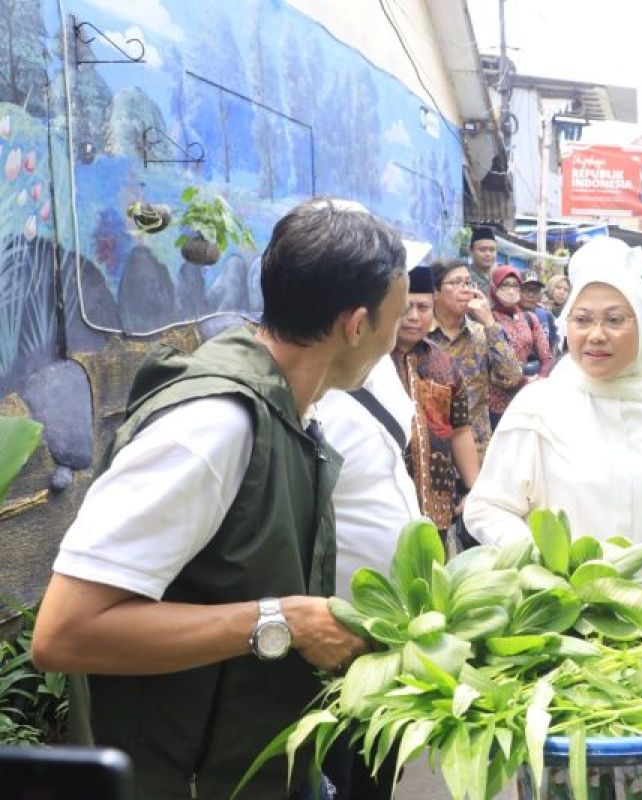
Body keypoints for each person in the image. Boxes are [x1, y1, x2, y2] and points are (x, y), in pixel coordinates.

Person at [31, 198, 403, 799]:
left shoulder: (295, 416)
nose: (395, 335)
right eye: (398, 313)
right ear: (356, 325)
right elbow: (64, 634)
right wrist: (282, 621)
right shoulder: (215, 427)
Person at [465, 236, 642, 616]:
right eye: (582, 319)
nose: (596, 334)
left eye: (615, 320)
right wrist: (542, 567)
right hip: (558, 637)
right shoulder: (539, 408)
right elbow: (488, 508)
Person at [313, 354, 420, 800]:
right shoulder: (307, 390)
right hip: (331, 638)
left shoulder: (381, 369)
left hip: (390, 635)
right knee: (336, 772)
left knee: (379, 771)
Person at [392, 265, 479, 536]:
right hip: (388, 506)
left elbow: (461, 429)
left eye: (423, 307)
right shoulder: (369, 362)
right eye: (406, 307)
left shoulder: (444, 364)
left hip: (437, 506)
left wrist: (475, 491)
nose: (414, 317)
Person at [428, 260, 523, 465]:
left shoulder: (482, 333)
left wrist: (489, 322)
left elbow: (511, 377)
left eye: (468, 283)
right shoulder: (421, 335)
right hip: (432, 449)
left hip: (478, 449)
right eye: (456, 282)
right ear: (435, 292)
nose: (465, 289)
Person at [488, 266, 553, 424]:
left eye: (515, 285)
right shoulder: (486, 319)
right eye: (505, 285)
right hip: (495, 403)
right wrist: (522, 381)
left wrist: (540, 379)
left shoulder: (529, 318)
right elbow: (487, 364)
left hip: (527, 399)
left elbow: (546, 355)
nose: (511, 290)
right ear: (494, 287)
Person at [519, 270, 559, 357]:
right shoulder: (507, 316)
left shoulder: (547, 316)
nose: (531, 295)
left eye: (535, 291)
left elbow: (553, 345)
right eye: (526, 290)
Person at [466, 225, 499, 292]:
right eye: (482, 250)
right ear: (471, 250)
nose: (488, 254)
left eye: (492, 250)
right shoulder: (465, 277)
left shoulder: (500, 278)